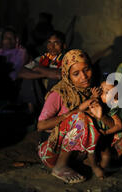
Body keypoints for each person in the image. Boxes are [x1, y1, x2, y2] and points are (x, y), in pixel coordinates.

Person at [37, 49, 111, 183]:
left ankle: (89, 161)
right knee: (80, 117)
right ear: (67, 75)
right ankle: (60, 166)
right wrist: (72, 113)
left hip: (79, 153)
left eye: (86, 69)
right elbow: (41, 126)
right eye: (76, 74)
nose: (84, 77)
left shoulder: (92, 89)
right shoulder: (59, 93)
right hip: (52, 152)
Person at [96, 80, 122, 168]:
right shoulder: (107, 104)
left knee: (106, 155)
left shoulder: (114, 109)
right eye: (101, 90)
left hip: (113, 136)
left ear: (116, 97)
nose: (101, 93)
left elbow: (119, 125)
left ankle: (103, 167)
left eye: (106, 92)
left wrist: (106, 132)